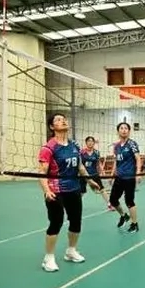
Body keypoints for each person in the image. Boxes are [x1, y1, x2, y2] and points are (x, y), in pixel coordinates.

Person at [38, 113, 99, 272]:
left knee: (76, 221)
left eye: (64, 118)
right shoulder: (48, 148)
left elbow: (80, 167)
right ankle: (48, 258)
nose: (63, 120)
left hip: (74, 188)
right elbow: (42, 173)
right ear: (52, 127)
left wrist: (89, 181)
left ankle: (71, 251)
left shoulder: (74, 145)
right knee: (56, 223)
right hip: (56, 191)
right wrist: (46, 190)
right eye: (58, 120)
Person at [109, 122, 142, 233]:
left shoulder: (132, 144)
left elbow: (138, 159)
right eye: (121, 128)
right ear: (118, 131)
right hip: (119, 177)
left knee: (129, 201)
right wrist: (112, 175)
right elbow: (116, 162)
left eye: (126, 128)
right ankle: (124, 216)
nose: (124, 130)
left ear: (129, 131)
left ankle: (134, 223)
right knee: (113, 200)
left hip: (129, 177)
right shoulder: (116, 146)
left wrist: (138, 173)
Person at [80, 136, 111, 209]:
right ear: (86, 142)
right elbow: (79, 164)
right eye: (88, 141)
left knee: (102, 189)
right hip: (83, 175)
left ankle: (109, 204)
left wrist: (102, 171)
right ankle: (76, 205)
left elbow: (98, 163)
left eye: (92, 141)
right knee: (81, 192)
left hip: (94, 174)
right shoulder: (81, 152)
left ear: (94, 143)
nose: (90, 143)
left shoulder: (96, 152)